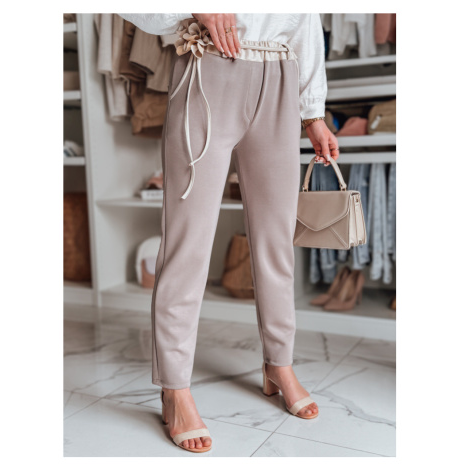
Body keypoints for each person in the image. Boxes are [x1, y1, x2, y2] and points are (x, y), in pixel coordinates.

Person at [119, 12, 339, 453]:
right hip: (208, 68)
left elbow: (305, 19)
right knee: (187, 244)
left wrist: (313, 111)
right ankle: (175, 389)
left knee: (276, 241)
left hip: (279, 76)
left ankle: (279, 364)